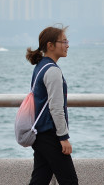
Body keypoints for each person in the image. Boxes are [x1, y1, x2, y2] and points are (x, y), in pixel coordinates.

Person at [26, 25, 78, 185]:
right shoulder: (53, 71)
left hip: (40, 134)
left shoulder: (40, 67)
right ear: (50, 45)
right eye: (64, 41)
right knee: (69, 181)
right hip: (51, 135)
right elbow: (56, 108)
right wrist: (63, 137)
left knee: (39, 180)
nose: (67, 45)